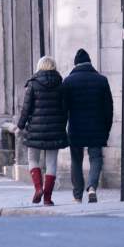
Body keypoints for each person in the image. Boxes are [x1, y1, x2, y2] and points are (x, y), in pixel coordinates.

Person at [62, 48, 113, 203]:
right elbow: (109, 108)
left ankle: (77, 196)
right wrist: (107, 129)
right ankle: (92, 187)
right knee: (96, 158)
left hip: (76, 128)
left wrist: (64, 129)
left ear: (75, 64)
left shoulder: (68, 82)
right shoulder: (102, 80)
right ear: (90, 62)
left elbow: (64, 109)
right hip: (97, 127)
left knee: (76, 160)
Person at [17, 55, 68, 205]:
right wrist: (61, 125)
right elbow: (65, 110)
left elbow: (26, 109)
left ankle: (38, 188)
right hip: (55, 130)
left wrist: (20, 126)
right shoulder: (61, 84)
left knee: (33, 159)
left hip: (35, 131)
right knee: (51, 163)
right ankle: (47, 198)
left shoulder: (33, 84)